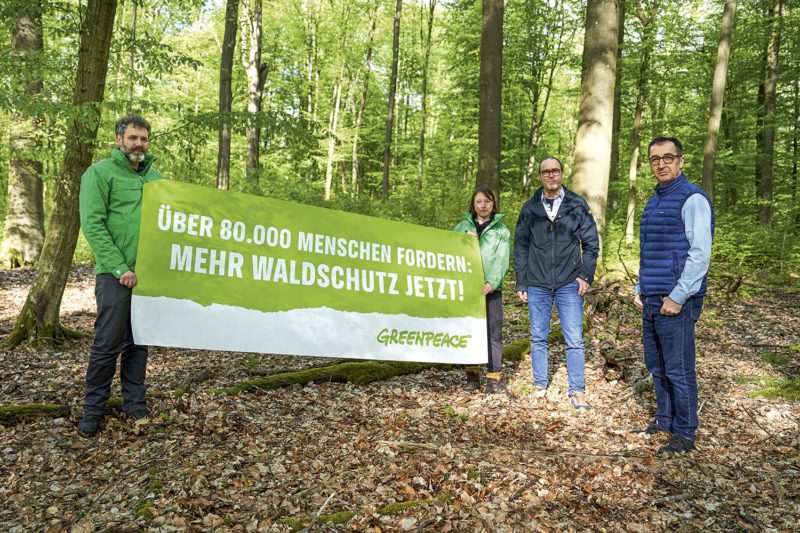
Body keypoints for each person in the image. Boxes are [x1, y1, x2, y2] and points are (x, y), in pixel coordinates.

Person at [77, 115, 164, 436]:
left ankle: (135, 404)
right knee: (106, 343)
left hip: (149, 277)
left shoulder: (157, 178)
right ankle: (93, 410)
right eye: (132, 138)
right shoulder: (99, 173)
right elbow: (93, 224)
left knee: (139, 342)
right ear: (119, 140)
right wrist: (120, 267)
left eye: (143, 139)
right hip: (115, 276)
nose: (138, 144)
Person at [634, 136, 714, 454]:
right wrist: (641, 286)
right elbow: (649, 250)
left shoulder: (692, 198)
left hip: (676, 300)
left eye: (669, 157)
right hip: (652, 296)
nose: (662, 164)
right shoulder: (654, 200)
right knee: (657, 365)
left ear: (681, 161)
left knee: (678, 368)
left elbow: (700, 254)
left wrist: (678, 296)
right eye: (655, 159)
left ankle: (684, 432)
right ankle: (665, 420)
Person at [513, 157, 599, 409]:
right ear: (540, 176)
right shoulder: (530, 208)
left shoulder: (576, 204)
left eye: (555, 171)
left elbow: (591, 243)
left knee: (574, 338)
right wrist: (522, 280)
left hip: (568, 282)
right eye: (546, 172)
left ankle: (577, 390)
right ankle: (540, 384)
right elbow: (521, 247)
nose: (551, 175)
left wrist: (585, 275)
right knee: (538, 337)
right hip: (537, 282)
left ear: (562, 174)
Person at [453, 187, 510, 394]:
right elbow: (449, 253)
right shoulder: (460, 227)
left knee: (493, 334)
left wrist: (492, 282)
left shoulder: (501, 230)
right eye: (479, 202)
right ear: (473, 204)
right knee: (470, 331)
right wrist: (465, 242)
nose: (483, 205)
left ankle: (493, 379)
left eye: (487, 201)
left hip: (491, 289)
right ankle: (471, 377)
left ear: (493, 204)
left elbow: (501, 259)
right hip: (467, 288)